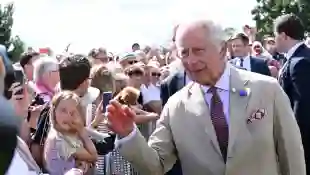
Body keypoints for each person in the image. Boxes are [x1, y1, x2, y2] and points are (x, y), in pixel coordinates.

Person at [106, 19, 306, 175]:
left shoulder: (267, 90)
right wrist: (129, 135)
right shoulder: (176, 106)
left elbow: (293, 158)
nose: (191, 60)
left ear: (222, 49)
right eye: (184, 53)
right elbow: (156, 165)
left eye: (198, 51)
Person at [276, 14, 310, 174]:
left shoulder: (300, 62)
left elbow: (302, 106)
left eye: (275, 36)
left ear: (283, 35)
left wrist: (293, 142)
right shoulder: (297, 58)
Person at [44, 91, 97, 175]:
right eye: (63, 110)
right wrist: (82, 132)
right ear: (54, 112)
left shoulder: (64, 134)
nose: (68, 116)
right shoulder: (59, 140)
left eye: (72, 113)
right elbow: (94, 156)